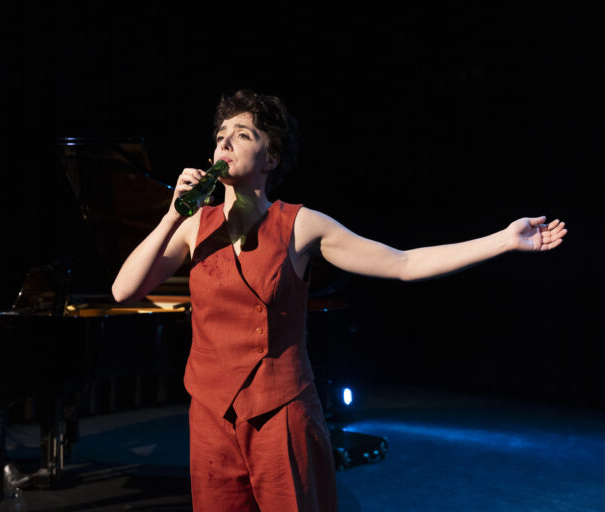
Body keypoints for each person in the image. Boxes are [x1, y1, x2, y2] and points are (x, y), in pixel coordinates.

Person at [111, 90, 567, 511]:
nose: (225, 142)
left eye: (242, 134)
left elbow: (403, 263)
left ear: (270, 157)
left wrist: (502, 241)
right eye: (220, 135)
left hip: (280, 413)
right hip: (211, 416)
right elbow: (123, 290)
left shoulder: (300, 225)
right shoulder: (194, 227)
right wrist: (174, 214)